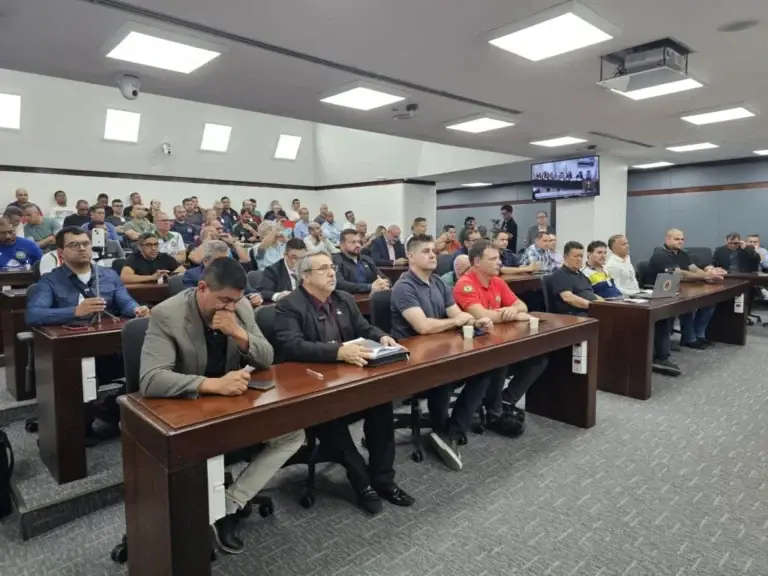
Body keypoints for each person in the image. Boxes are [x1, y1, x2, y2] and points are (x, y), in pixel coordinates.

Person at [140, 257, 301, 554]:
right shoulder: (167, 314)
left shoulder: (238, 307)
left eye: (235, 301)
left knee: (293, 434)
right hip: (189, 410)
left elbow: (266, 357)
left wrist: (238, 333)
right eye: (223, 300)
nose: (229, 307)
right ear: (202, 288)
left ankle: (230, 503)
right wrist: (213, 385)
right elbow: (150, 379)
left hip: (231, 404)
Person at [275, 250, 415, 514]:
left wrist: (382, 336)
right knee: (332, 421)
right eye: (324, 268)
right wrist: (337, 352)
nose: (332, 272)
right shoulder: (289, 305)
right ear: (305, 276)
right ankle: (362, 483)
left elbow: (364, 329)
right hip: (312, 385)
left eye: (333, 267)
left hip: (352, 378)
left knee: (382, 408)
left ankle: (384, 479)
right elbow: (292, 346)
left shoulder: (344, 298)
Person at [390, 235, 493, 471]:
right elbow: (423, 327)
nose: (433, 254)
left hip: (441, 350)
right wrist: (457, 321)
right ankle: (442, 430)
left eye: (433, 251)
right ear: (411, 256)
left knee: (484, 370)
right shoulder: (403, 287)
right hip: (414, 360)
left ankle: (451, 432)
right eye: (426, 251)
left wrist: (475, 322)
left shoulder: (438, 283)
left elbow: (457, 314)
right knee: (445, 378)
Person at [453, 239, 548, 436]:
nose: (499, 263)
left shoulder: (497, 281)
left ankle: (506, 401)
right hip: (472, 350)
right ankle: (494, 413)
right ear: (477, 262)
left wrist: (508, 311)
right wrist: (510, 313)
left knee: (539, 357)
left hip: (497, 341)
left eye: (499, 258)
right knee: (501, 359)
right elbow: (482, 316)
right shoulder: (465, 284)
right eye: (494, 258)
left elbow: (522, 306)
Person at [648, 229, 723, 350]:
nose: (680, 242)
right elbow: (680, 273)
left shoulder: (682, 253)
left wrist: (709, 274)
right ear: (667, 239)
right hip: (661, 290)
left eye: (682, 239)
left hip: (682, 287)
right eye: (676, 239)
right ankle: (689, 338)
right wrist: (706, 276)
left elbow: (693, 269)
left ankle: (699, 335)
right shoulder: (659, 255)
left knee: (709, 302)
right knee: (687, 305)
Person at [182, 240, 263, 308]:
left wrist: (257, 297)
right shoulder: (192, 276)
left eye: (227, 260)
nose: (225, 264)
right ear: (205, 261)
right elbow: (193, 303)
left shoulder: (234, 271)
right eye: (219, 261)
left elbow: (251, 291)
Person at [549, 241, 601, 315]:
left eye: (581, 256)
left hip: (591, 310)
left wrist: (605, 304)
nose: (579, 259)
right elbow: (568, 298)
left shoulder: (581, 274)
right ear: (565, 257)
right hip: (574, 314)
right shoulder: (561, 274)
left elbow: (591, 294)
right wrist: (593, 306)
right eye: (576, 256)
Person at [333, 229, 389, 294]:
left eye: (359, 242)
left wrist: (384, 283)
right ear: (342, 245)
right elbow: (339, 284)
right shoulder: (335, 260)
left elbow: (383, 277)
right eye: (353, 242)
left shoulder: (367, 259)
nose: (358, 245)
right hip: (350, 300)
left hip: (372, 296)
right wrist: (369, 287)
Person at [120, 232, 185, 284]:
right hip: (140, 295)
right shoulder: (133, 259)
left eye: (156, 244)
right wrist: (152, 277)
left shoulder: (164, 257)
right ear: (140, 247)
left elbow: (183, 270)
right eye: (149, 245)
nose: (153, 248)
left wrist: (171, 276)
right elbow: (124, 278)